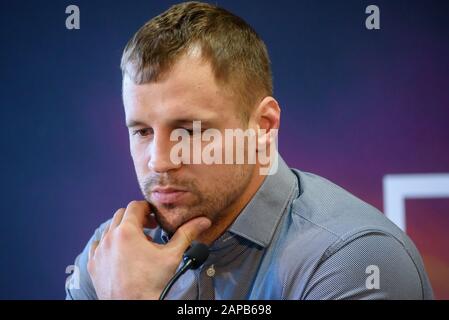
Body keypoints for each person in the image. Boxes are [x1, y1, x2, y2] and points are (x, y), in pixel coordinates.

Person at [66, 1, 433, 300]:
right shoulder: (113, 255)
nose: (159, 160)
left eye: (190, 131)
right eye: (142, 131)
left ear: (264, 127)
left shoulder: (357, 258)